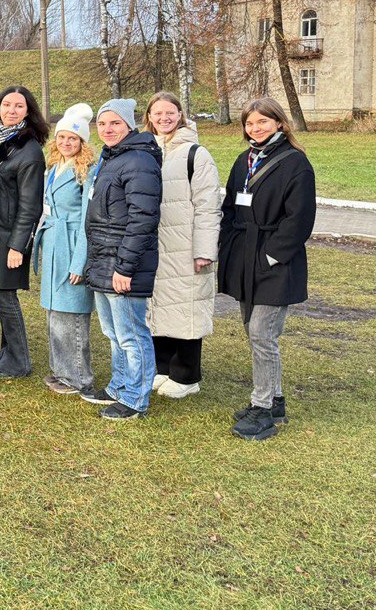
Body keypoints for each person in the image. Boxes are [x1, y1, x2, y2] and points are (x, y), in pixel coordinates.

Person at [218, 96, 316, 441]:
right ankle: (274, 401)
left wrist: (271, 256)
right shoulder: (243, 161)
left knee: (263, 334)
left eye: (262, 122)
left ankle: (262, 409)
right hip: (245, 256)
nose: (255, 128)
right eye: (249, 123)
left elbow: (300, 218)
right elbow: (230, 205)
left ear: (279, 123)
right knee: (252, 331)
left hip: (275, 261)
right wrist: (229, 245)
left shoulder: (295, 163)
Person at [80, 99, 163, 421]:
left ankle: (135, 399)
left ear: (129, 125)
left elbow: (143, 219)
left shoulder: (139, 160)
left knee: (131, 334)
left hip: (122, 263)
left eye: (115, 123)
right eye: (102, 124)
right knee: (114, 333)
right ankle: (119, 385)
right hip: (103, 258)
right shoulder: (111, 157)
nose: (108, 129)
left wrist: (124, 267)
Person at [143, 91, 222, 399]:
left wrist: (204, 250)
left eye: (170, 113)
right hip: (155, 244)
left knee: (187, 306)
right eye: (157, 113)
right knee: (159, 306)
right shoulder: (146, 149)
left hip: (185, 244)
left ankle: (187, 375)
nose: (164, 118)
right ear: (149, 117)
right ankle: (163, 368)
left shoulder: (195, 154)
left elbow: (207, 205)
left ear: (180, 115)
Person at [0, 85, 47, 379]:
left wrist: (18, 246)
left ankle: (19, 361)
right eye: (7, 105)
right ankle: (7, 354)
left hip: (9, 236)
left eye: (19, 106)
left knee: (6, 296)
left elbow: (30, 206)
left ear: (28, 112)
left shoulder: (29, 151)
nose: (11, 110)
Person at [33, 104, 96, 396]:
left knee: (71, 313)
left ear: (82, 142)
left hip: (72, 244)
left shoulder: (87, 172)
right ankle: (60, 371)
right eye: (62, 137)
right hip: (54, 241)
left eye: (73, 138)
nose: (66, 143)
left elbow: (86, 219)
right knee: (54, 312)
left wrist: (79, 262)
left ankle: (79, 377)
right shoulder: (54, 168)